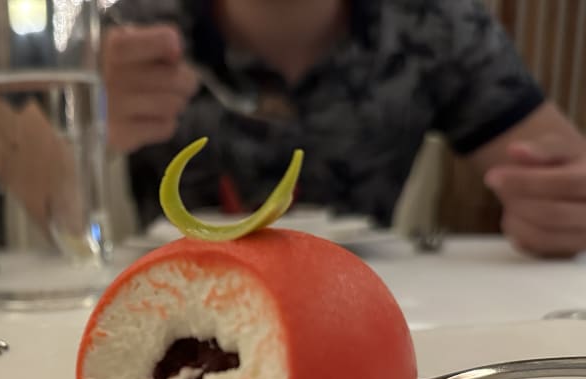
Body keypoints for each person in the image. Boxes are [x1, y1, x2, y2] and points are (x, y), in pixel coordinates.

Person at [103, 0, 586, 257]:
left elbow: (563, 167)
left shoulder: (435, 20)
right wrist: (87, 129)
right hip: (173, 298)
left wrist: (562, 206)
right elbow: (61, 216)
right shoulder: (128, 24)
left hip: (368, 305)